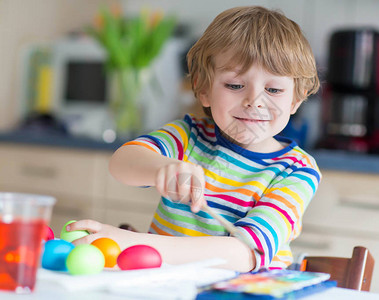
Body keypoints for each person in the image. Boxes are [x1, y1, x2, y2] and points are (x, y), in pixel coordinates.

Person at [68, 5, 321, 272]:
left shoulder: (297, 171)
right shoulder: (188, 136)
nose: (254, 102)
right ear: (203, 89)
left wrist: (134, 243)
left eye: (273, 89)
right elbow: (121, 163)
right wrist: (162, 168)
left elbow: (247, 254)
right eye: (235, 85)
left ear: (296, 98)